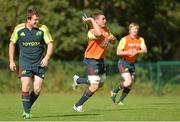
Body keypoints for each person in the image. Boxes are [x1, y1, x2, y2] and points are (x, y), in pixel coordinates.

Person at [9, 8, 53, 119]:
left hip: (39, 63)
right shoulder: (19, 29)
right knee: (25, 86)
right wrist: (11, 61)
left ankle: (27, 107)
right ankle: (26, 112)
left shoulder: (43, 29)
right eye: (35, 20)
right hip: (25, 63)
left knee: (37, 90)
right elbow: (12, 44)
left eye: (38, 20)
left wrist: (47, 58)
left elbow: (50, 44)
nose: (37, 22)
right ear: (28, 19)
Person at [72, 11, 116, 112]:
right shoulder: (91, 31)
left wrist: (112, 39)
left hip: (101, 60)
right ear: (96, 20)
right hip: (92, 60)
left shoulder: (106, 29)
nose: (105, 20)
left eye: (105, 18)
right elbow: (99, 35)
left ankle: (78, 80)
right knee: (94, 86)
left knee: (100, 84)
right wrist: (91, 20)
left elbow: (108, 42)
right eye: (103, 19)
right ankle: (77, 105)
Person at [111, 22, 147, 105]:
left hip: (132, 64)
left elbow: (145, 50)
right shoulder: (124, 39)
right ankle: (114, 91)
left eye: (136, 29)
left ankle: (120, 101)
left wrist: (136, 51)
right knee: (128, 82)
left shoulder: (140, 39)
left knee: (130, 84)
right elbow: (118, 52)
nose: (135, 30)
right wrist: (128, 52)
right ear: (129, 30)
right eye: (133, 29)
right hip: (123, 62)